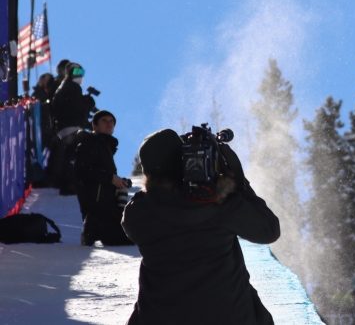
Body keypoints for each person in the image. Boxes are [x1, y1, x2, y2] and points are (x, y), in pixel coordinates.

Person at [121, 128, 280, 324]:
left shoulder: (138, 213)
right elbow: (269, 230)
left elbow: (135, 218)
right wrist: (238, 182)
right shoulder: (219, 201)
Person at [74, 110, 133, 246]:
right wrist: (111, 178)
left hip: (105, 210)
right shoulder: (90, 142)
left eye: (111, 121)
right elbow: (82, 171)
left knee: (134, 235)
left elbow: (101, 175)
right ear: (94, 126)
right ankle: (91, 230)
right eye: (104, 121)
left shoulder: (104, 145)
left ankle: (93, 231)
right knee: (132, 238)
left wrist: (120, 181)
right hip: (97, 212)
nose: (109, 124)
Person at [50, 63, 96, 194]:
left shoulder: (66, 87)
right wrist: (87, 103)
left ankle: (68, 183)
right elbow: (74, 109)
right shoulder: (72, 87)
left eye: (81, 72)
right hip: (69, 128)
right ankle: (70, 184)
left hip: (65, 127)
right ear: (69, 73)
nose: (79, 75)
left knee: (70, 154)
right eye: (75, 71)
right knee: (73, 155)